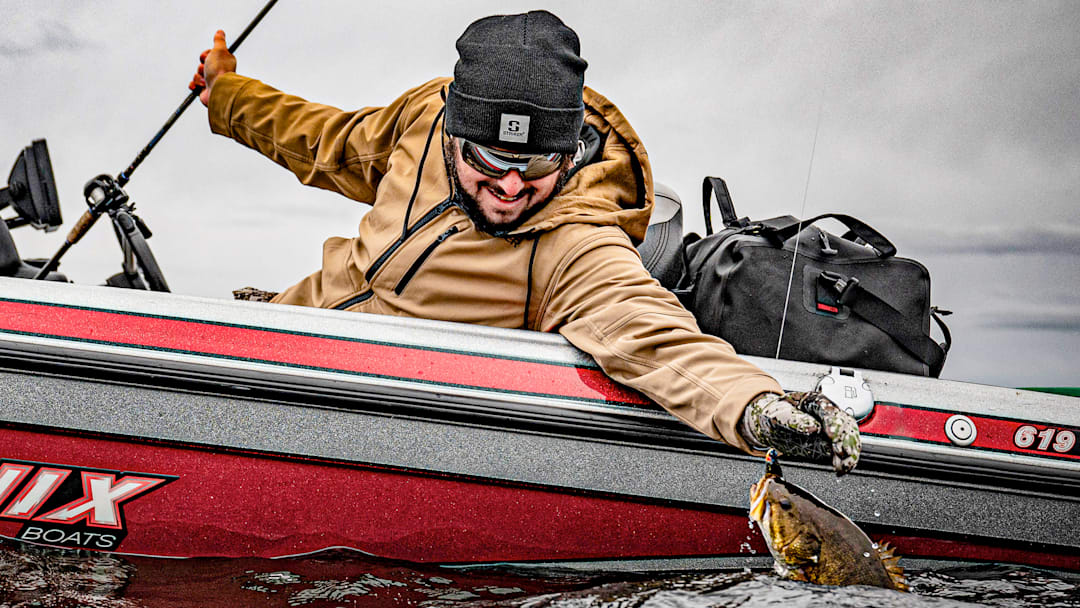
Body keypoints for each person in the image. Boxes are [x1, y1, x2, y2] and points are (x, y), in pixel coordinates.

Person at [190, 11, 861, 474]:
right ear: (452, 130)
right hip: (283, 335)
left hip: (373, 413)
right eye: (487, 160)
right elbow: (325, 139)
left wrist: (758, 408)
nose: (510, 188)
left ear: (568, 153)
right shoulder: (424, 117)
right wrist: (225, 93)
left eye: (538, 165)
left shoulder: (577, 242)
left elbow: (651, 335)